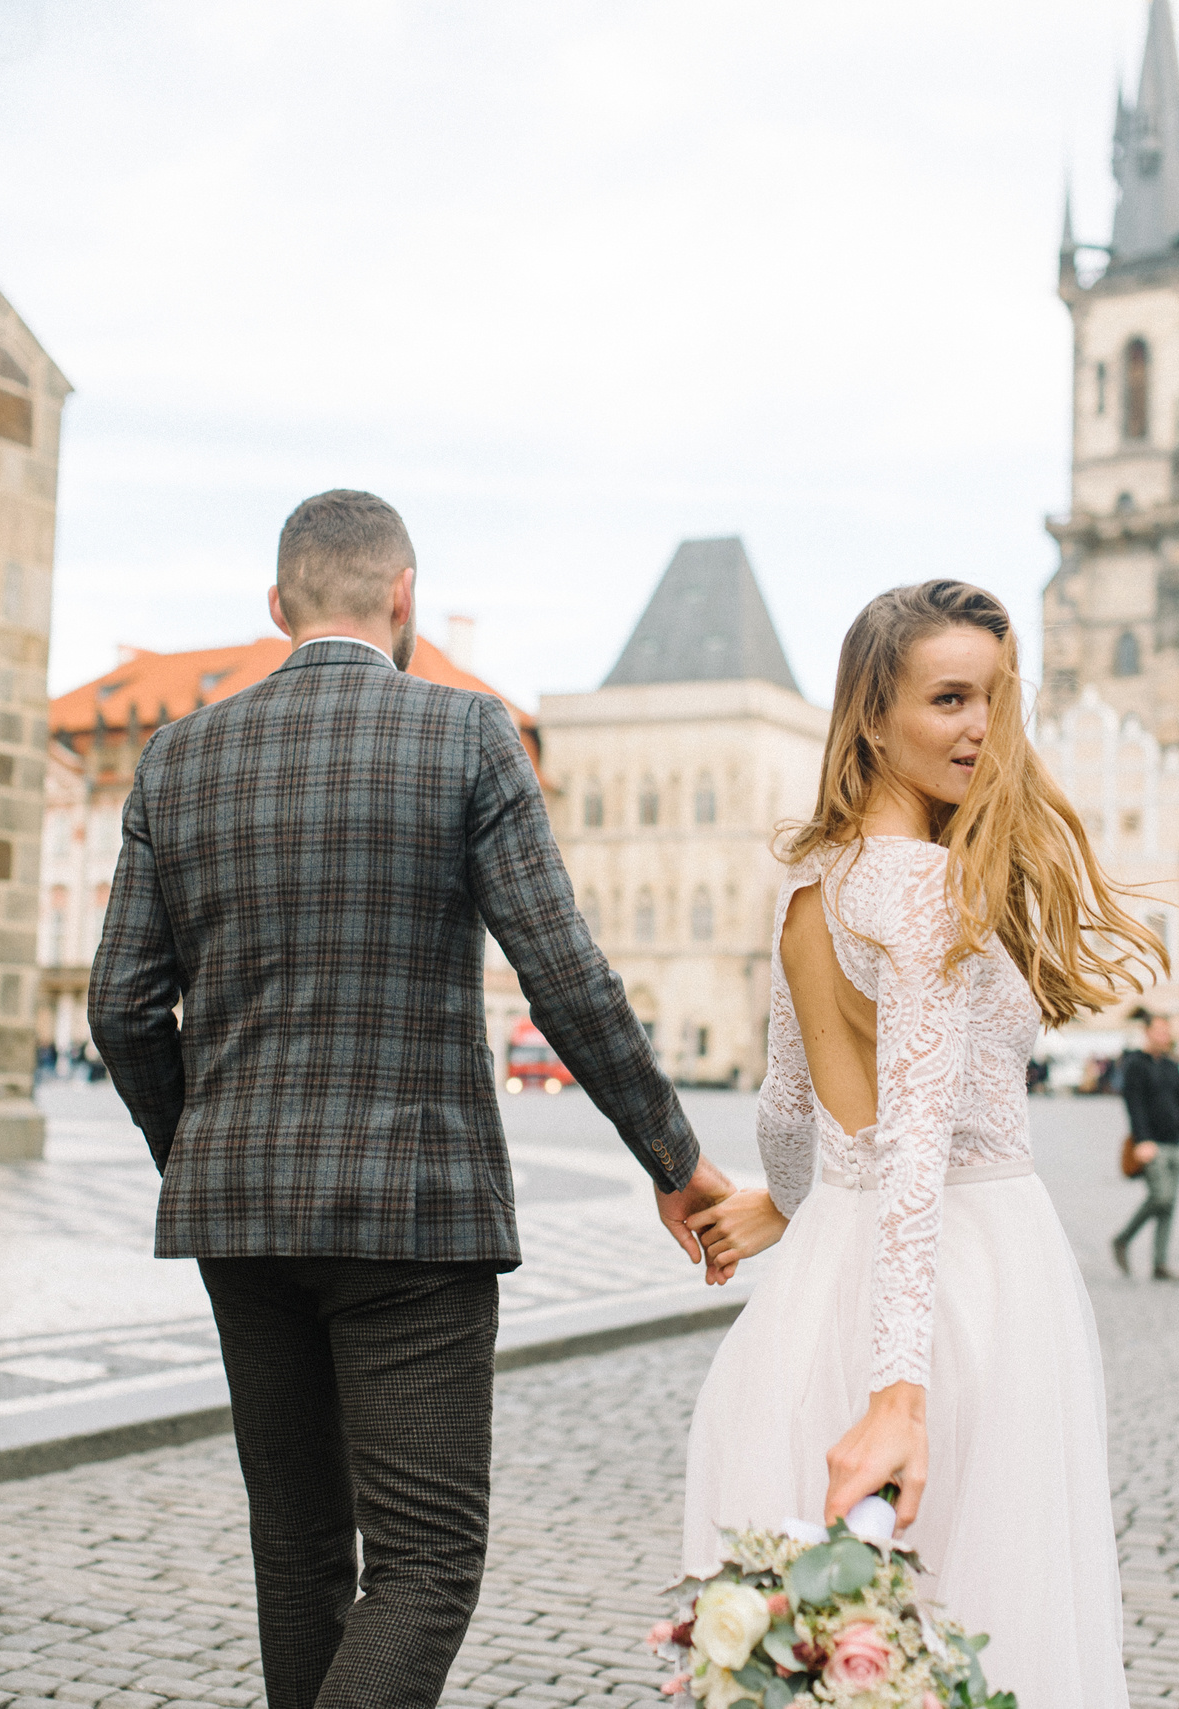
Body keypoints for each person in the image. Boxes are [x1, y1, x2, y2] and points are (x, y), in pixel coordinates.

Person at [86, 490, 731, 1709]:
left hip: (241, 1218)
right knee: (426, 1558)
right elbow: (563, 970)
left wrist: (203, 1149)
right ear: (405, 596)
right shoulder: (465, 734)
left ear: (276, 609)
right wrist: (671, 1152)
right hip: (411, 1214)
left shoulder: (179, 755)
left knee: (297, 1552)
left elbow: (122, 1006)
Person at [675, 580, 1158, 1705]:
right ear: (871, 717)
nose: (980, 728)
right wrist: (902, 1388)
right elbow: (917, 1140)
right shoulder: (929, 888)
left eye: (992, 697)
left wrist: (784, 1204)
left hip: (824, 1278)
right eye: (947, 698)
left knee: (847, 1627)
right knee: (973, 1613)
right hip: (964, 1279)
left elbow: (788, 1109)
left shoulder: (809, 885)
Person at [1108, 1011, 1179, 1281]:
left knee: (1169, 1206)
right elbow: (1134, 1104)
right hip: (1151, 1143)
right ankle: (1122, 1239)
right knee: (1161, 1197)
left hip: (1173, 1142)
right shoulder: (1136, 1064)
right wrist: (1142, 1140)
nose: (1164, 1035)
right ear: (1147, 1032)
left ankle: (1160, 1264)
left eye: (1167, 1031)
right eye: (1159, 1031)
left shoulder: (1171, 1065)